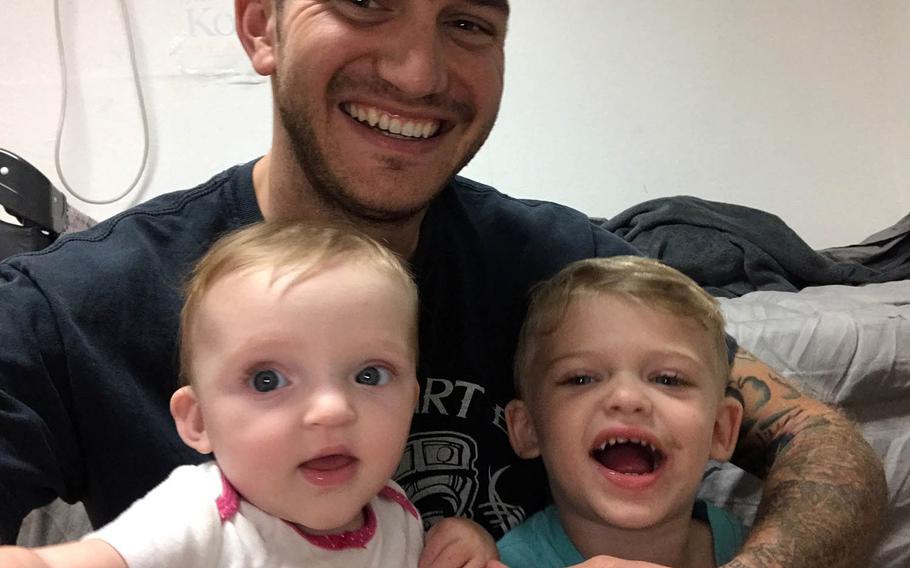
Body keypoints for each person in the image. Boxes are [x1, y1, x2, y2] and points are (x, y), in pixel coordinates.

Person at [0, 1, 885, 566]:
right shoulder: (75, 306)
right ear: (261, 25)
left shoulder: (565, 272)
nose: (419, 74)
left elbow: (822, 444)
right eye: (366, 2)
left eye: (467, 22)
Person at [0, 221, 497, 567]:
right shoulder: (202, 516)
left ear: (412, 397)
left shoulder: (397, 514)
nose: (331, 410)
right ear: (198, 420)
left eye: (370, 375)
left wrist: (461, 542)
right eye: (267, 380)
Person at [495, 256, 746, 567]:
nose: (627, 398)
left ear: (721, 429)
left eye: (668, 379)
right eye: (581, 378)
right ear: (528, 428)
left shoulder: (748, 543)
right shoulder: (505, 563)